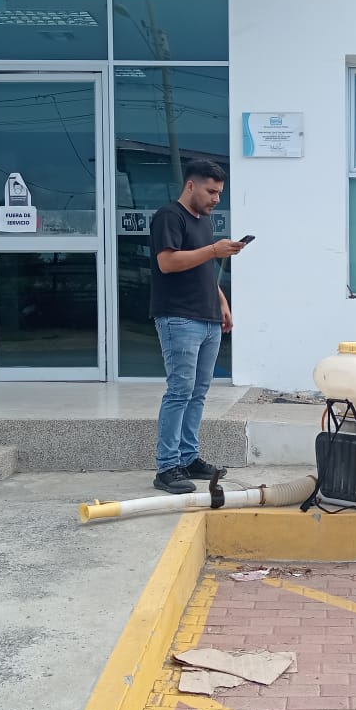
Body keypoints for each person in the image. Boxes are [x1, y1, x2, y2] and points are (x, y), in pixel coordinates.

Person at [149, 159, 245, 493]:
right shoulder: (169, 216)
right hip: (179, 317)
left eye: (219, 193)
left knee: (198, 393)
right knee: (179, 391)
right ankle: (167, 467)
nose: (216, 199)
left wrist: (222, 302)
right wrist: (214, 250)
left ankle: (188, 458)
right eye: (211, 191)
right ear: (190, 185)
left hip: (207, 318)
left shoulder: (203, 222)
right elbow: (167, 262)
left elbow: (203, 269)